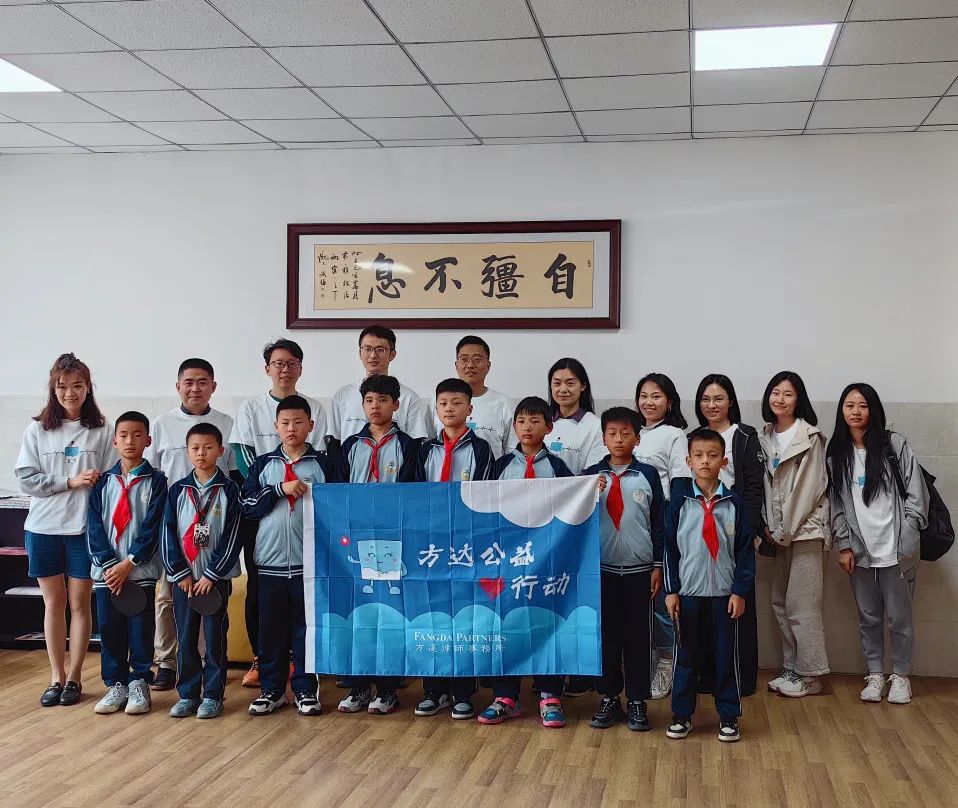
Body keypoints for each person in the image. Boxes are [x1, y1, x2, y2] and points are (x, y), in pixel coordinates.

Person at [15, 353, 115, 707]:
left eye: (77, 386)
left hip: (84, 530)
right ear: (53, 390)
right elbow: (27, 479)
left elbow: (111, 481)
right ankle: (55, 677)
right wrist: (70, 481)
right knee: (53, 604)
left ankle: (74, 677)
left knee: (80, 604)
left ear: (88, 389)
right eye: (62, 386)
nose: (69, 393)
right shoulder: (37, 430)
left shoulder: (103, 430)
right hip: (43, 528)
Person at [229, 338, 326, 689]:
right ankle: (263, 661)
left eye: (291, 363)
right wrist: (271, 489)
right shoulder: (251, 407)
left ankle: (303, 670)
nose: (285, 369)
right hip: (265, 514)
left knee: (304, 601)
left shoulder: (315, 408)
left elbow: (322, 455)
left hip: (305, 522)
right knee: (261, 589)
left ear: (300, 367)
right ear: (267, 368)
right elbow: (242, 457)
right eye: (278, 363)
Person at [827, 383, 929, 705]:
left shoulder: (893, 445)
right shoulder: (836, 454)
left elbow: (916, 495)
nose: (856, 412)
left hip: (897, 550)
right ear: (842, 411)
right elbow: (836, 506)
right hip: (860, 553)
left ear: (873, 409)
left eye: (863, 405)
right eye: (849, 405)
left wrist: (909, 534)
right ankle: (875, 675)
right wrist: (844, 545)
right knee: (868, 617)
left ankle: (900, 676)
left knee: (899, 618)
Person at [478, 396, 572, 729]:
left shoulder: (558, 467)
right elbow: (484, 505)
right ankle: (506, 696)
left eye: (535, 421)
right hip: (508, 558)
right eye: (521, 421)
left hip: (546, 558)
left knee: (548, 622)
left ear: (549, 427)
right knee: (506, 623)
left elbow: (572, 508)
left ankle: (550, 694)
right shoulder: (501, 464)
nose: (527, 427)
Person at [147, 357, 235, 692]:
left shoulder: (227, 423)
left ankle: (205, 668)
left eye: (202, 382)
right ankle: (167, 663)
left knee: (209, 604)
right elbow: (153, 476)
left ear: (213, 386)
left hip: (214, 523)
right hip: (173, 525)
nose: (195, 388)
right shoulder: (162, 423)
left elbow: (234, 475)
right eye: (188, 382)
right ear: (178, 387)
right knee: (168, 598)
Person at [240, 395, 331, 717]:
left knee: (305, 631)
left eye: (298, 422)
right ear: (275, 427)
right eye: (285, 423)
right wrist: (279, 489)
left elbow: (337, 511)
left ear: (311, 425)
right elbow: (247, 506)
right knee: (271, 633)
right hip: (270, 564)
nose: (291, 428)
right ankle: (272, 690)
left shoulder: (323, 464)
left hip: (310, 565)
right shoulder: (263, 464)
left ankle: (305, 690)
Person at [336, 375, 421, 716]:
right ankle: (358, 686)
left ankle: (387, 688)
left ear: (396, 405)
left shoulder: (410, 447)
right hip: (356, 540)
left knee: (388, 613)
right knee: (358, 612)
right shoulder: (348, 446)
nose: (375, 406)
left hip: (391, 541)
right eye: (370, 400)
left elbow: (413, 494)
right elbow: (337, 493)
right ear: (362, 405)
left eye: (383, 400)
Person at [664, 428, 754, 743]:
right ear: (688, 461)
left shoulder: (734, 503)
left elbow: (744, 552)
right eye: (699, 456)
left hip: (724, 596)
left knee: (725, 657)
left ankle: (728, 716)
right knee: (686, 656)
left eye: (713, 456)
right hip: (688, 594)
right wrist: (671, 590)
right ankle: (681, 714)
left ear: (723, 461)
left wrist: (740, 591)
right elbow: (669, 550)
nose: (705, 461)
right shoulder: (678, 503)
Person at [414, 378, 493, 720]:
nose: (449, 408)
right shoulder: (424, 450)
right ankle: (433, 690)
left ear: (470, 409)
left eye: (457, 402)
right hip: (431, 546)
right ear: (436, 408)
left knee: (463, 617)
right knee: (432, 615)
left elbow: (486, 498)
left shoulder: (482, 450)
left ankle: (462, 691)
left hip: (465, 546)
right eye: (443, 403)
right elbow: (414, 497)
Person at [583, 407, 665, 732]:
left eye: (625, 433)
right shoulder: (590, 476)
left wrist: (657, 565)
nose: (618, 439)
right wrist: (589, 494)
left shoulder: (649, 475)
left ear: (637, 439)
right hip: (601, 571)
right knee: (606, 637)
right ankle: (608, 696)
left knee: (637, 638)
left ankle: (637, 700)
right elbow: (576, 521)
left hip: (639, 571)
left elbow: (659, 523)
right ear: (603, 438)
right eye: (612, 433)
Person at [86, 412, 167, 715]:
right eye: (123, 435)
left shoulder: (157, 481)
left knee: (140, 629)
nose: (130, 441)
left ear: (148, 440)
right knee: (109, 628)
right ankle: (115, 684)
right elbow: (94, 526)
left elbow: (153, 528)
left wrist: (129, 563)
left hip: (139, 572)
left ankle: (139, 682)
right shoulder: (102, 482)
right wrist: (110, 566)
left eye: (137, 435)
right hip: (107, 574)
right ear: (114, 441)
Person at [692, 373, 767, 696]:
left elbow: (753, 487)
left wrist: (747, 531)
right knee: (705, 604)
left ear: (731, 402)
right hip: (700, 530)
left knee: (738, 601)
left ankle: (741, 678)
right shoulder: (694, 437)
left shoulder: (745, 436)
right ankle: (708, 675)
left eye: (718, 399)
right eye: (706, 399)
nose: (712, 405)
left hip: (735, 529)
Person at [162, 422, 243, 719]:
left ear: (220, 451)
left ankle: (212, 695)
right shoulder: (177, 490)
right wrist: (180, 573)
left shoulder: (230, 489)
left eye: (208, 447)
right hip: (184, 581)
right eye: (195, 448)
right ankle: (187, 694)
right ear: (186, 452)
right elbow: (167, 534)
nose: (201, 453)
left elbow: (234, 535)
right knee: (185, 638)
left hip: (214, 580)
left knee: (214, 639)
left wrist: (212, 574)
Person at [759, 371, 830, 698]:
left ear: (798, 399)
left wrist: (784, 530)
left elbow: (808, 489)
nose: (780, 399)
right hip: (777, 534)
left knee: (803, 605)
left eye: (788, 394)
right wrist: (769, 528)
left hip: (805, 532)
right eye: (775, 392)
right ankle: (792, 669)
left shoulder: (810, 437)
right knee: (780, 603)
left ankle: (811, 675)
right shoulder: (765, 436)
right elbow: (764, 486)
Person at [635, 372, 691, 700]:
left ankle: (667, 662)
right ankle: (645, 663)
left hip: (660, 524)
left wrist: (671, 529)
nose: (648, 402)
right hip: (628, 526)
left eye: (656, 396)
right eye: (643, 395)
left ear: (669, 402)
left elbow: (681, 485)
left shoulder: (674, 435)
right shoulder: (632, 432)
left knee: (661, 599)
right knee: (637, 602)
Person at [328, 325, 430, 445]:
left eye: (380, 349)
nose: (373, 355)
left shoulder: (409, 397)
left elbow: (415, 443)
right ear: (360, 353)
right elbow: (334, 442)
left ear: (392, 354)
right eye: (367, 349)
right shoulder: (343, 395)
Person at [439, 335, 513, 458]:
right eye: (464, 359)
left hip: (491, 470)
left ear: (488, 366)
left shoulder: (503, 403)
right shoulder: (439, 402)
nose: (470, 365)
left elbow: (512, 452)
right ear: (456, 365)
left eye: (477, 360)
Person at [545, 358, 605, 476]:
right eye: (557, 383)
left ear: (583, 386)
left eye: (570, 383)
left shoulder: (596, 426)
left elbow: (593, 473)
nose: (563, 390)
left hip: (576, 487)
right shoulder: (541, 422)